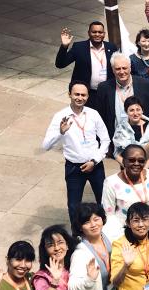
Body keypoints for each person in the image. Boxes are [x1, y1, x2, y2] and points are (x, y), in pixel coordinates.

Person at [42, 81, 110, 224]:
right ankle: (77, 236)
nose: (80, 98)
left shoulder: (93, 114)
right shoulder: (60, 116)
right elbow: (46, 145)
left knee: (103, 201)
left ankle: (105, 230)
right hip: (74, 167)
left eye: (83, 95)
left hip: (95, 165)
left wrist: (94, 161)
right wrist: (60, 133)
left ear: (87, 96)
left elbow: (105, 140)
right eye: (76, 94)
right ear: (69, 95)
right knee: (73, 206)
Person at [102, 144, 149, 240]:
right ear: (123, 161)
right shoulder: (111, 182)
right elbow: (109, 213)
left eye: (141, 161)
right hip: (125, 231)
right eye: (132, 160)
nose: (136, 163)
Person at [96, 52, 149, 140]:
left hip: (144, 139)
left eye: (124, 68)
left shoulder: (146, 84)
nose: (121, 72)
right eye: (117, 69)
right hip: (117, 140)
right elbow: (100, 118)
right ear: (112, 70)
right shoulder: (104, 88)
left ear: (130, 68)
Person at [68, 203, 115, 290]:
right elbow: (72, 287)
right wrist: (89, 279)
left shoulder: (107, 236)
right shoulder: (80, 254)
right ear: (80, 227)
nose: (93, 225)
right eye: (87, 222)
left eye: (96, 219)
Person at [55, 22, 118, 110]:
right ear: (89, 33)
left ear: (104, 34)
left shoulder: (111, 47)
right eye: (94, 32)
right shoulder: (79, 47)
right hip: (86, 94)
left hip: (106, 93)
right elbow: (60, 64)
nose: (97, 34)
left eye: (100, 32)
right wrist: (64, 46)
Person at [34, 225, 81, 290]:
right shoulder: (42, 277)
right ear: (45, 250)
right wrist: (54, 281)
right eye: (51, 245)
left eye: (60, 242)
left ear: (67, 245)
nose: (56, 248)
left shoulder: (73, 267)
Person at [112, 97, 149, 169]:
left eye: (138, 109)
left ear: (142, 110)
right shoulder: (121, 129)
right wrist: (129, 169)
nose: (135, 113)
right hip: (128, 168)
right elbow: (117, 154)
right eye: (131, 110)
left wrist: (143, 170)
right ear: (126, 111)